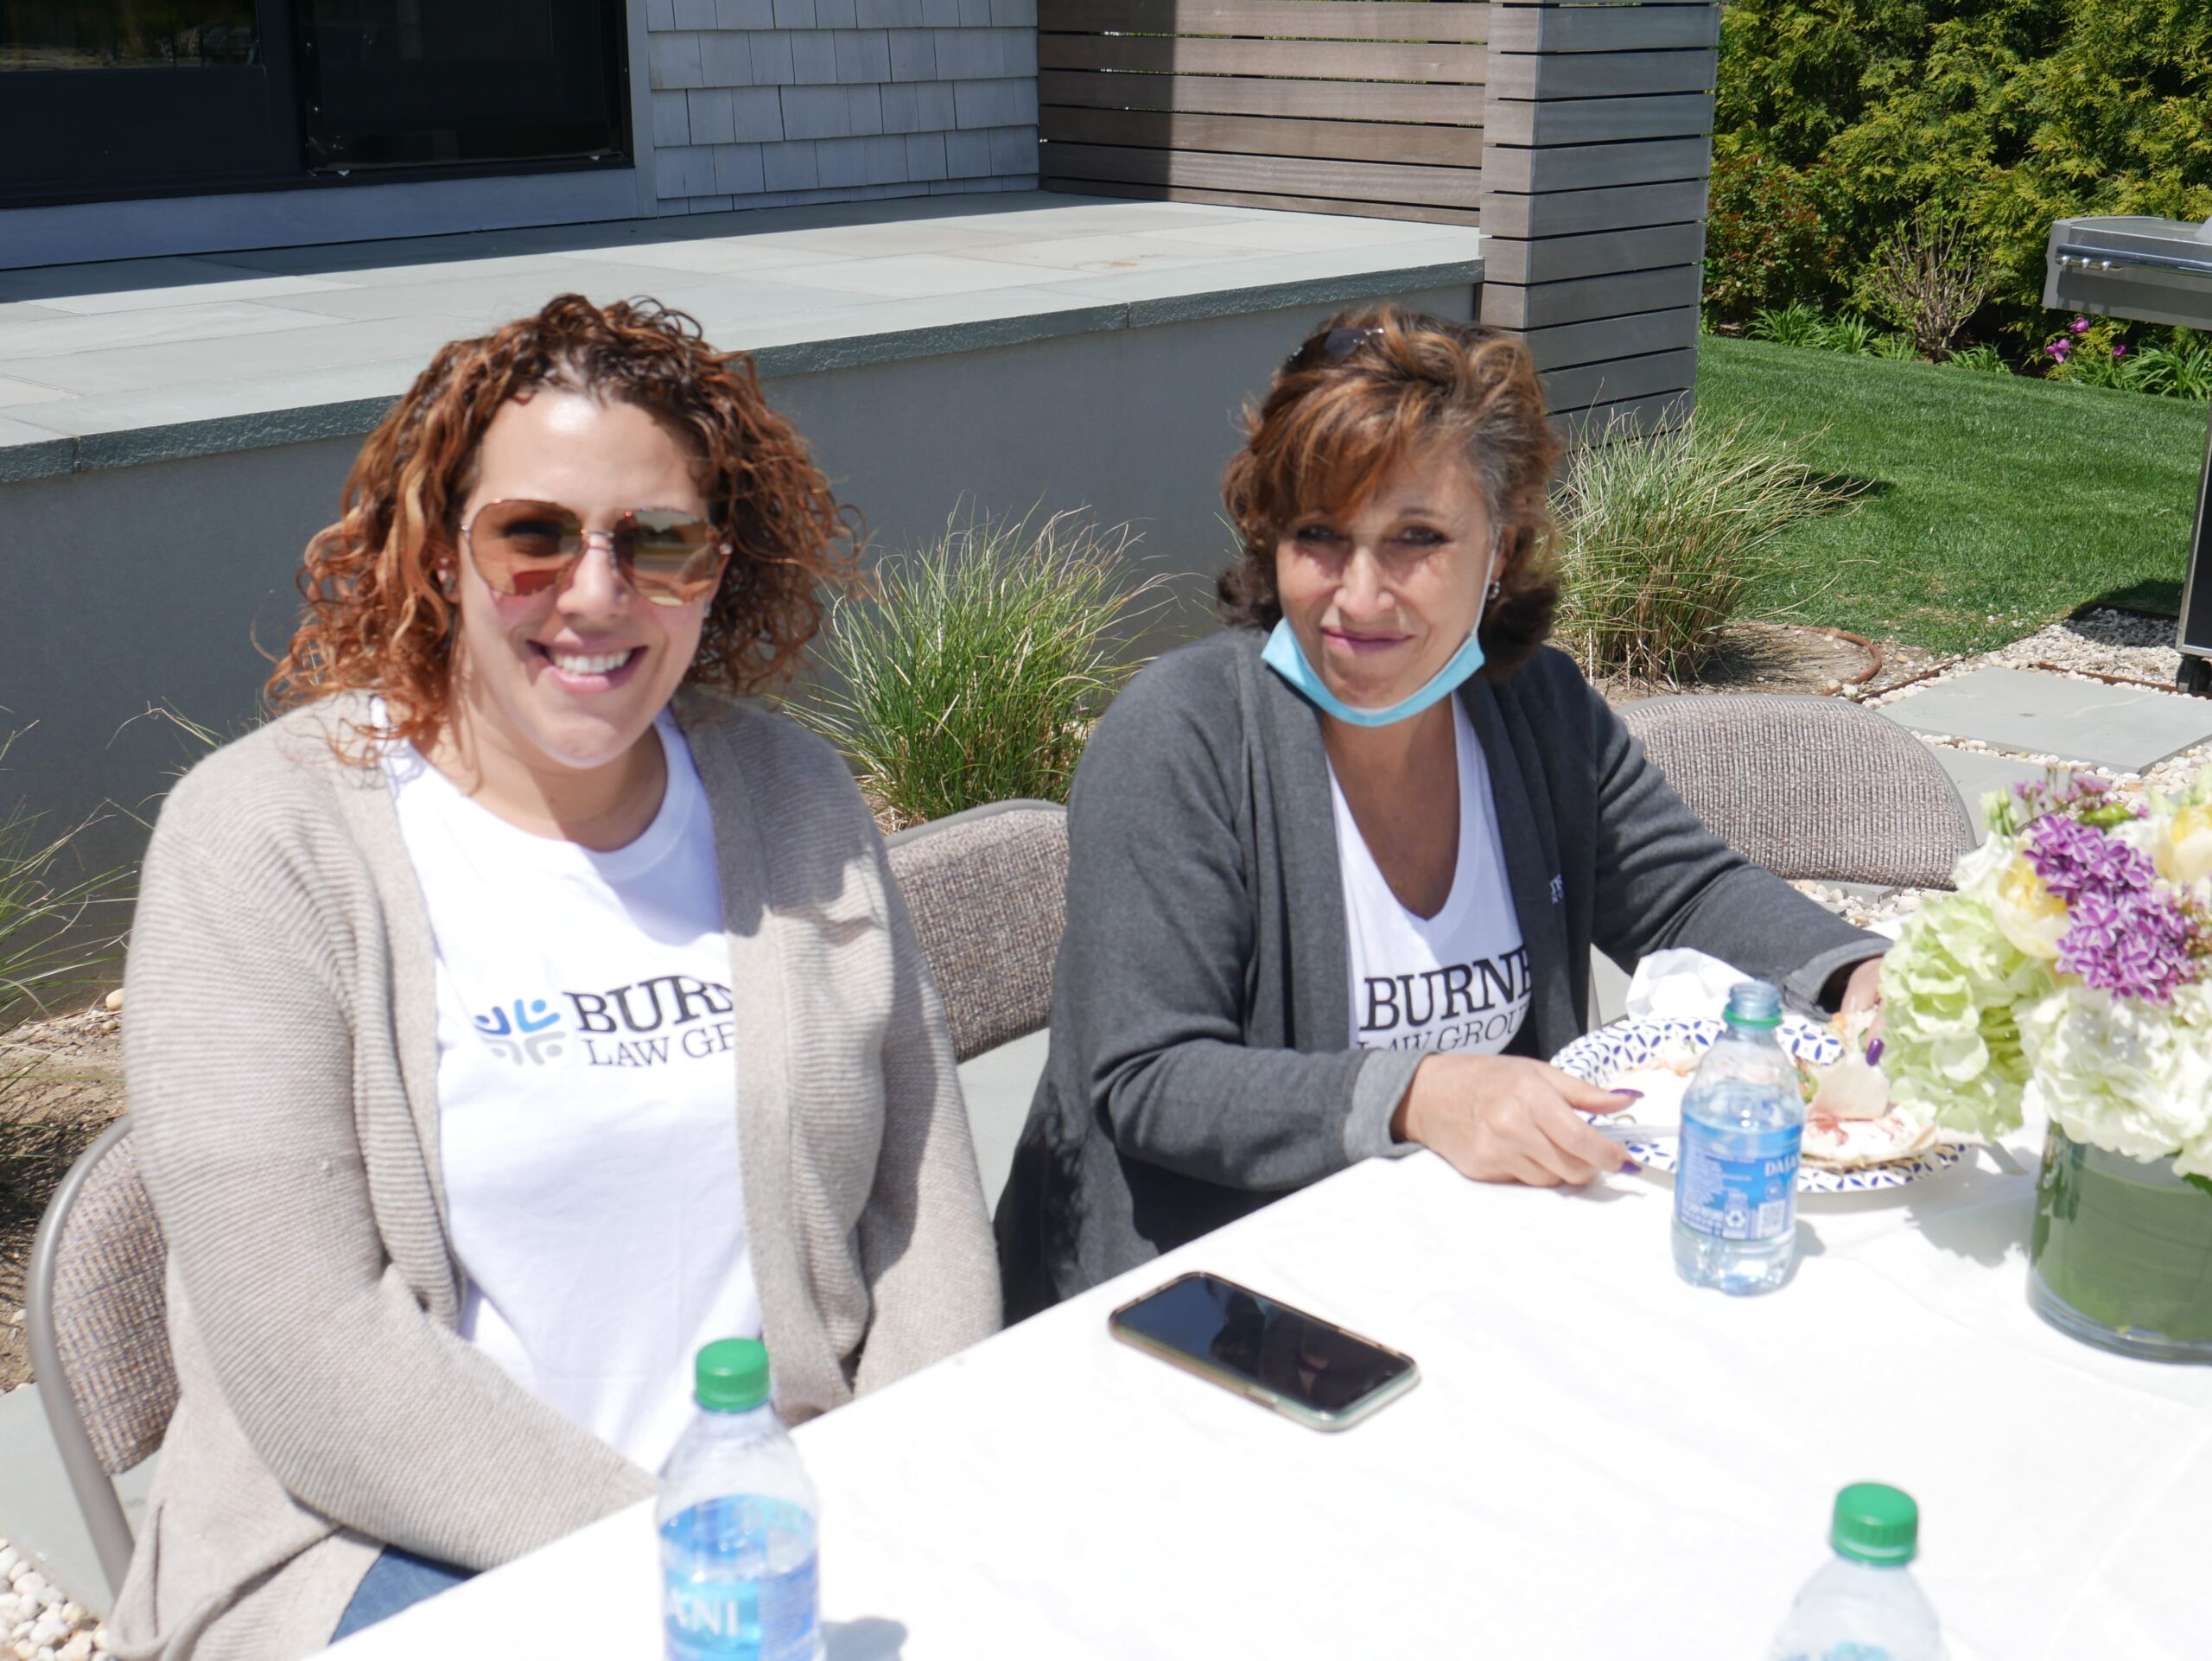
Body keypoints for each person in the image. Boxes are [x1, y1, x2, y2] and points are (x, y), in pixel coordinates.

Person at [115, 295, 1000, 1658]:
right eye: (533, 534)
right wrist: (681, 1551)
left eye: (661, 541)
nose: (596, 593)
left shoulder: (791, 796)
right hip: (384, 1541)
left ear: (720, 566)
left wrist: (892, 1487)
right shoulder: (261, 840)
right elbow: (310, 1350)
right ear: (440, 548)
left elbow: (919, 1200)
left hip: (781, 1512)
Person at [995, 308, 1887, 1320]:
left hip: (1460, 1270)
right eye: (1319, 535)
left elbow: (1682, 894)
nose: (1359, 596)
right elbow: (1153, 1077)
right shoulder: (1183, 736)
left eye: (1415, 538)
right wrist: (1419, 1095)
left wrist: (1857, 973)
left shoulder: (1534, 706)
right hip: (1207, 1308)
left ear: (1499, 548)